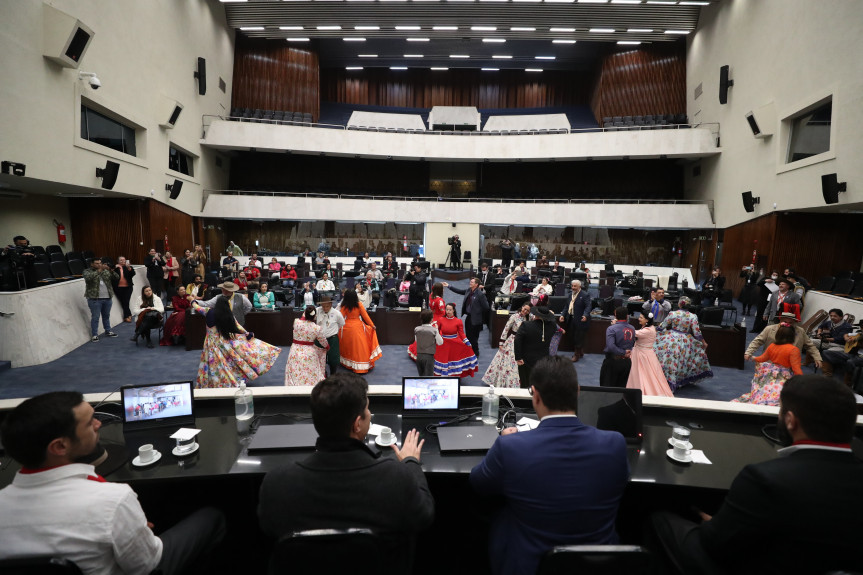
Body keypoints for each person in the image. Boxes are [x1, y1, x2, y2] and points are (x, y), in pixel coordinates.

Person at [652, 375, 863, 575]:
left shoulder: (764, 478)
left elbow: (715, 543)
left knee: (660, 519)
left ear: (790, 421)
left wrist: (711, 524)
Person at [0, 391, 227, 575]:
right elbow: (146, 565)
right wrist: (138, 533)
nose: (99, 424)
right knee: (212, 516)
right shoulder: (113, 501)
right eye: (90, 423)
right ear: (60, 447)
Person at [258, 374, 434, 572]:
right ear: (357, 424)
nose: (370, 413)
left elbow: (267, 528)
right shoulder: (396, 478)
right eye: (368, 409)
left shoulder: (276, 483)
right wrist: (411, 463)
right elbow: (424, 516)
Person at [470, 356, 630, 575]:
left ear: (535, 395)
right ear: (578, 391)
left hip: (529, 565)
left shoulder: (510, 447)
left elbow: (478, 483)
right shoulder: (616, 444)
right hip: (599, 566)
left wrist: (501, 442)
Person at [191, 295, 280, 388]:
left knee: (210, 362)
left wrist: (193, 301)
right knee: (226, 362)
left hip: (209, 342)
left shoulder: (207, 311)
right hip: (223, 342)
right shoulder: (228, 315)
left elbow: (197, 307)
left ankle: (212, 383)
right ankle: (226, 381)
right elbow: (238, 327)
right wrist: (247, 333)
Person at [735, 323, 803, 405]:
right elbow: (796, 368)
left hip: (769, 374)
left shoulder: (772, 346)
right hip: (784, 376)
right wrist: (802, 381)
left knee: (766, 390)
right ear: (793, 336)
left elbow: (762, 358)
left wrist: (752, 357)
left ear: (778, 335)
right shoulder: (793, 350)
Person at [654, 297, 713, 391]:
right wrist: (704, 343)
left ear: (679, 304)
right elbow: (697, 333)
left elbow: (662, 326)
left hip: (670, 338)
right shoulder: (693, 316)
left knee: (668, 359)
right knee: (682, 361)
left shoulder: (673, 313)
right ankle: (678, 379)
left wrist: (653, 331)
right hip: (685, 340)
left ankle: (662, 378)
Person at [746, 311, 821, 369]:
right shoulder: (769, 329)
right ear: (780, 320)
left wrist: (817, 358)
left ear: (794, 322)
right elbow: (757, 341)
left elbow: (810, 346)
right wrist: (749, 352)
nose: (788, 324)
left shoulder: (800, 331)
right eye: (785, 322)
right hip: (770, 364)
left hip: (790, 365)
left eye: (790, 323)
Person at [483, 302, 531, 389]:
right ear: (522, 306)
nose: (525, 311)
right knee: (509, 362)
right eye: (524, 309)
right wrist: (501, 342)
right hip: (513, 341)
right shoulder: (514, 316)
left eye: (527, 310)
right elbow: (506, 329)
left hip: (524, 342)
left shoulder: (529, 318)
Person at [626, 312, 672, 397]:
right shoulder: (650, 327)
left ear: (647, 320)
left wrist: (624, 325)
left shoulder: (647, 331)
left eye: (641, 317)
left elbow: (633, 333)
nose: (639, 319)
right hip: (646, 353)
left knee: (642, 374)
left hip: (642, 355)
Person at [338, 289, 382, 373]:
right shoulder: (359, 305)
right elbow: (366, 316)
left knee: (349, 347)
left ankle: (350, 363)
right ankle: (361, 365)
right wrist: (372, 325)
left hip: (347, 328)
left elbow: (340, 318)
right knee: (360, 347)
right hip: (358, 327)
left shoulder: (344, 306)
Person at [429, 302, 479, 377]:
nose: (448, 311)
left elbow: (461, 333)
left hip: (455, 345)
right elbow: (437, 331)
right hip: (443, 344)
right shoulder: (441, 319)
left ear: (453, 311)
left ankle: (454, 376)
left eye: (450, 310)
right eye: (447, 309)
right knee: (444, 361)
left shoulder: (458, 321)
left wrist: (467, 342)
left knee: (454, 361)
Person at [445, 278, 489, 358]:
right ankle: (469, 351)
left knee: (474, 338)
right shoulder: (469, 290)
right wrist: (449, 286)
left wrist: (478, 313)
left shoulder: (480, 294)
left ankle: (475, 353)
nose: (470, 282)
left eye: (472, 282)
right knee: (468, 336)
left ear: (476, 284)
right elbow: (460, 291)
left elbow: (486, 307)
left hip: (476, 319)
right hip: (469, 317)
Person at [513, 305, 557, 388]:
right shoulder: (553, 326)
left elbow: (517, 341)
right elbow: (553, 321)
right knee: (540, 384)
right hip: (543, 361)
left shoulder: (526, 325)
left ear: (536, 315)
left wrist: (518, 357)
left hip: (526, 361)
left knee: (525, 385)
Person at [286, 306, 329, 386]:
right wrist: (327, 347)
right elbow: (323, 341)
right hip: (309, 352)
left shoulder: (296, 322)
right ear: (315, 316)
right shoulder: (317, 328)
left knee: (295, 370)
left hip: (295, 350)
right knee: (310, 371)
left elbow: (303, 317)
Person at [83, 257, 119, 342]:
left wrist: (110, 270)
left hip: (107, 298)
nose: (99, 265)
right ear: (92, 264)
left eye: (100, 263)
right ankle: (95, 335)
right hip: (95, 299)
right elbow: (88, 278)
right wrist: (99, 270)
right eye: (97, 263)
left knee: (106, 316)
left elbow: (117, 277)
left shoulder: (106, 271)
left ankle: (108, 331)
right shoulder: (87, 271)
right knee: (95, 317)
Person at [600, 306, 636, 388]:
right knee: (621, 388)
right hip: (626, 362)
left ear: (615, 316)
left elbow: (611, 346)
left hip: (613, 362)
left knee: (607, 388)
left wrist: (622, 352)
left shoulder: (611, 329)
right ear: (627, 316)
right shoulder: (632, 328)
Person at [560, 279, 591, 362]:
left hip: (581, 320)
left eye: (575, 286)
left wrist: (585, 315)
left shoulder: (585, 295)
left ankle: (576, 354)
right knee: (572, 336)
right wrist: (563, 315)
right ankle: (580, 351)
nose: (573, 287)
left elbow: (588, 306)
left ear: (579, 287)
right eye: (572, 286)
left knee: (578, 337)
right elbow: (566, 307)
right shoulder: (570, 295)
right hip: (571, 319)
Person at [316, 296, 345, 376]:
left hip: (332, 339)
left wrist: (333, 331)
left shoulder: (337, 313)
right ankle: (323, 373)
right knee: (320, 357)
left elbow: (341, 323)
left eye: (327, 306)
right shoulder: (317, 311)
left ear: (331, 304)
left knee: (333, 358)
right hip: (319, 339)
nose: (325, 308)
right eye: (323, 306)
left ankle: (333, 375)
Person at [413, 309, 444, 376]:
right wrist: (437, 330)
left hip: (419, 356)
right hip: (429, 357)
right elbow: (440, 342)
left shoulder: (416, 329)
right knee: (428, 378)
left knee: (421, 376)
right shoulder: (434, 330)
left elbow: (416, 340)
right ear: (431, 319)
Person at [111, 255, 135, 323]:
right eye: (121, 260)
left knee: (126, 301)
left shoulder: (128, 267)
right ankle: (129, 314)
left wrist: (129, 268)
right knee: (123, 302)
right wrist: (115, 267)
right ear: (118, 261)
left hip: (128, 287)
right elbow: (110, 271)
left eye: (124, 260)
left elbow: (133, 274)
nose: (122, 261)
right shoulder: (115, 267)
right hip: (118, 287)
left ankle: (126, 316)